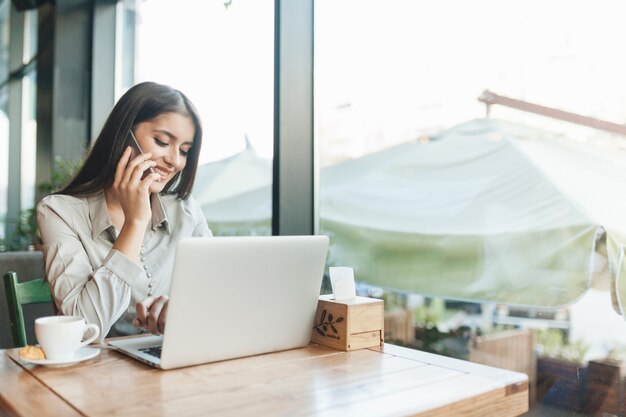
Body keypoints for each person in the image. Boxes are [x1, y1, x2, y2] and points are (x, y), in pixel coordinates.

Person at [37, 82, 212, 341]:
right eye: (162, 142)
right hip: (101, 372)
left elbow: (217, 297)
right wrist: (135, 222)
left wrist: (180, 309)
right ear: (124, 136)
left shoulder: (186, 211)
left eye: (184, 150)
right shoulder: (59, 212)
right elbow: (86, 329)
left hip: (177, 359)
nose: (175, 161)